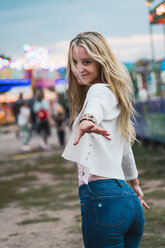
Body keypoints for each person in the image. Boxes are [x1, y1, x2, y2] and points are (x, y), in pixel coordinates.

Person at [62, 31, 149, 248]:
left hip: (103, 201)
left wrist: (87, 120)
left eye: (86, 62)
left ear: (102, 62)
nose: (78, 69)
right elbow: (125, 150)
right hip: (129, 201)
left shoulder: (99, 91)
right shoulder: (115, 96)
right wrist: (135, 185)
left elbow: (95, 106)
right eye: (75, 62)